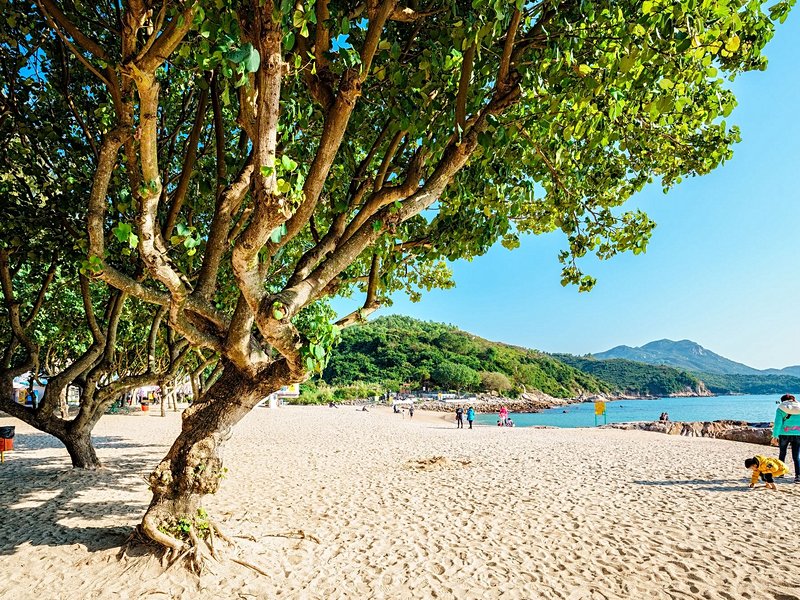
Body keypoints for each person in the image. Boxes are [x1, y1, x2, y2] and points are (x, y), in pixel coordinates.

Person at [773, 393, 800, 483]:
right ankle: (798, 476)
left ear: (783, 400)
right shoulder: (799, 407)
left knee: (782, 453)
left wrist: (775, 436)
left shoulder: (781, 408)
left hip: (784, 434)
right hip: (798, 434)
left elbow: (778, 424)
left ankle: (781, 473)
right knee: (796, 456)